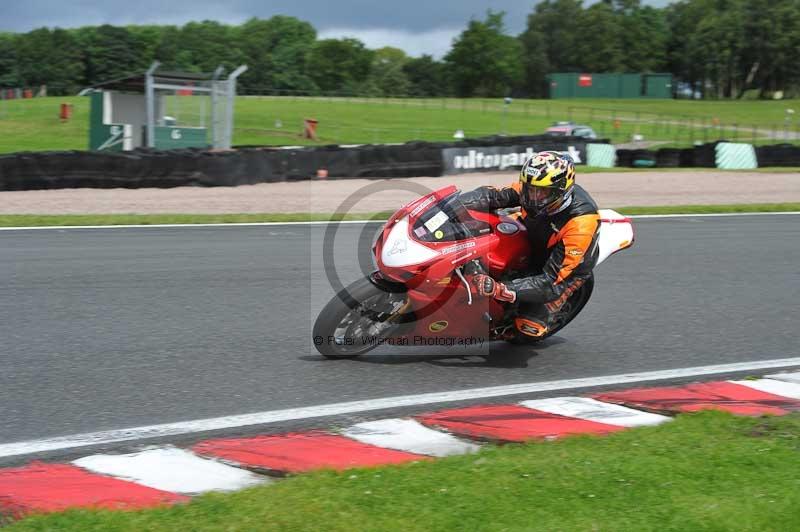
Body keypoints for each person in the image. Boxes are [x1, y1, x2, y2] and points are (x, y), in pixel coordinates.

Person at [459, 151, 601, 340]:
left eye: (541, 192)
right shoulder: (536, 186)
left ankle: (516, 324)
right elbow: (492, 195)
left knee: (527, 329)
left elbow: (550, 283)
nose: (533, 197)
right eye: (530, 189)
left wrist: (501, 289)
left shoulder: (580, 224)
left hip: (560, 270)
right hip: (532, 235)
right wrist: (455, 203)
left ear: (561, 191)